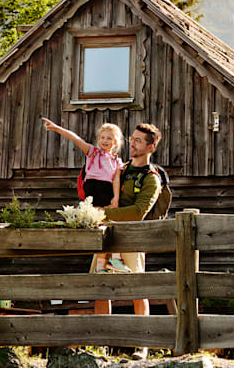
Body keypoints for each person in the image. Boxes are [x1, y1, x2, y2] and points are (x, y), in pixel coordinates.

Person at [94, 122, 168, 361]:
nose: (132, 143)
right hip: (106, 237)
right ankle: (101, 343)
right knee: (100, 287)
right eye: (132, 138)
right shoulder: (119, 168)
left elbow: (138, 212)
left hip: (133, 239)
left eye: (138, 140)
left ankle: (141, 344)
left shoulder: (152, 179)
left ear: (151, 146)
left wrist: (100, 214)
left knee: (138, 290)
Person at [42, 118, 126, 271]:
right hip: (94, 188)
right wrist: (56, 128)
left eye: (109, 138)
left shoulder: (116, 160)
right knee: (101, 223)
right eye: (102, 137)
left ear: (115, 142)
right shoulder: (93, 152)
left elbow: (116, 180)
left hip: (107, 189)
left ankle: (108, 262)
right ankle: (112, 259)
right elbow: (75, 138)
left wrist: (116, 197)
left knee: (108, 224)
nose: (105, 141)